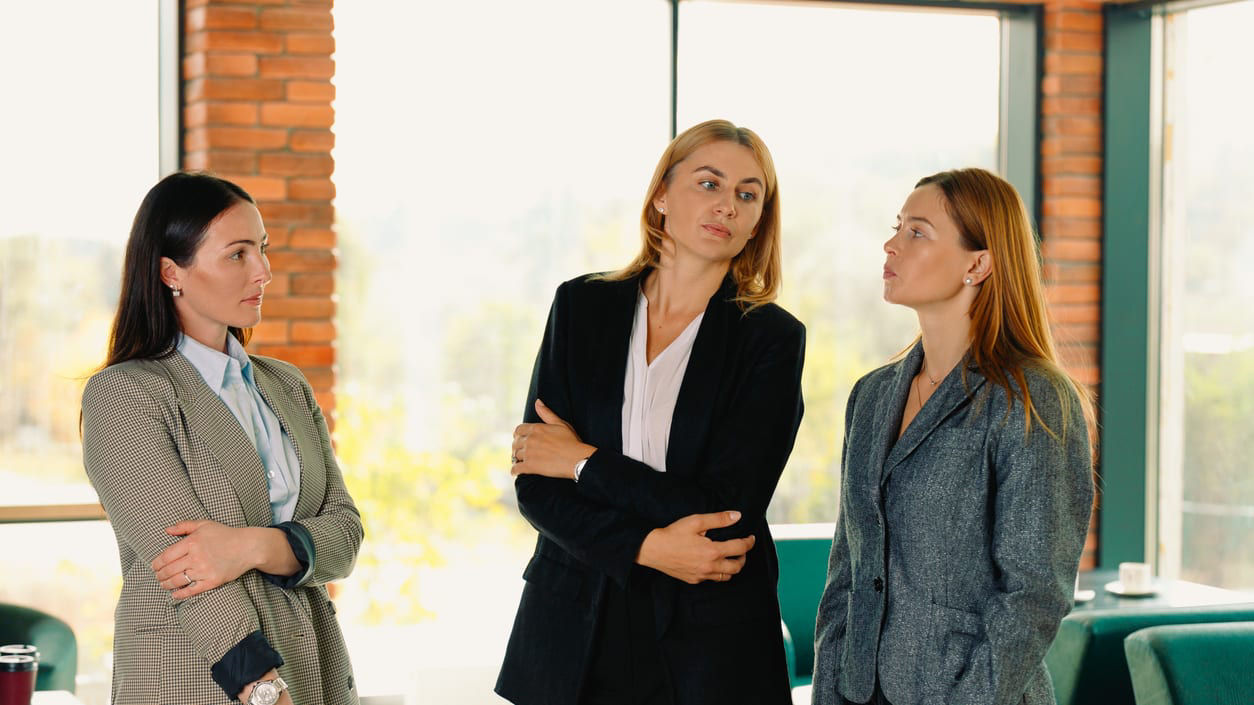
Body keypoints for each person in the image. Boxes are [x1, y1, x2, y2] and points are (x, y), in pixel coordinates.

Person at [495, 119, 806, 705]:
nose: (728, 207)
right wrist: (647, 548)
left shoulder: (771, 338)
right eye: (708, 184)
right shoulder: (581, 307)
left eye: (747, 194)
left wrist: (583, 461)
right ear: (661, 195)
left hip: (712, 642)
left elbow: (725, 507)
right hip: (574, 631)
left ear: (759, 219)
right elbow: (537, 480)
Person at [811, 168, 1095, 705]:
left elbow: (1034, 595)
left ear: (978, 263)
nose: (892, 243)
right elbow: (847, 571)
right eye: (898, 227)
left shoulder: (1032, 400)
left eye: (917, 232)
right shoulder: (871, 397)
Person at [81, 172, 363, 705]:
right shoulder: (126, 395)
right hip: (206, 679)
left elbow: (345, 534)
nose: (263, 271)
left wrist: (252, 545)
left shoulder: (285, 385)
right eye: (237, 254)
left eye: (262, 249)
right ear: (171, 273)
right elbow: (186, 571)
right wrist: (261, 688)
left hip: (314, 668)